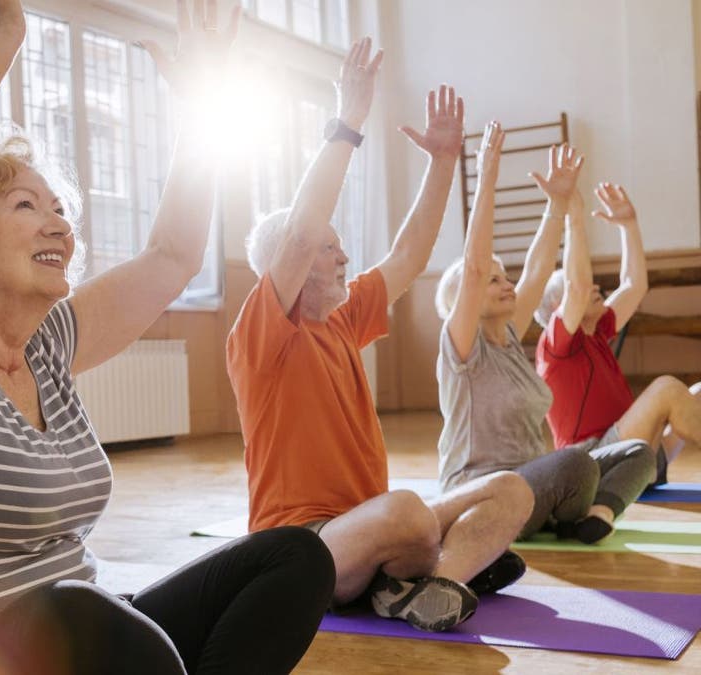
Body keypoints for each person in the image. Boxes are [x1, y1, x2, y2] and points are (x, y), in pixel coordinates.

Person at [0, 1, 335, 673]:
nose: (59, 225)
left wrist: (201, 108)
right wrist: (5, 42)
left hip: (81, 641)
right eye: (27, 206)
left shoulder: (50, 345)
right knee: (79, 611)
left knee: (294, 557)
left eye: (60, 209)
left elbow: (172, 255)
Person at [227, 38, 532, 634]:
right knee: (408, 515)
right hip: (302, 548)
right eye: (328, 249)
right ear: (287, 269)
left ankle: (434, 583)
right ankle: (423, 572)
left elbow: (409, 254)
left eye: (342, 248)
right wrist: (348, 122)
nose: (343, 258)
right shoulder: (260, 334)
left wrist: (445, 161)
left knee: (509, 491)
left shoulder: (343, 317)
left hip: (368, 522)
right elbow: (299, 231)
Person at [435, 131, 658, 546]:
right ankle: (562, 512)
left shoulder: (510, 338)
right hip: (482, 493)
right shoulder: (462, 349)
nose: (505, 284)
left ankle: (591, 515)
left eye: (505, 277)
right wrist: (487, 178)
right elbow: (475, 267)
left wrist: (557, 205)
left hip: (535, 482)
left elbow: (537, 271)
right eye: (493, 280)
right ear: (464, 299)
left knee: (638, 452)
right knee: (574, 463)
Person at [533, 184, 701, 483]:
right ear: (560, 306)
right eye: (587, 286)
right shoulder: (555, 346)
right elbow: (579, 286)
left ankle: (646, 473)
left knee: (698, 393)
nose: (596, 287)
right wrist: (574, 217)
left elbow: (634, 285)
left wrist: (628, 225)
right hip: (591, 464)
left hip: (630, 455)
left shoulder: (596, 332)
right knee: (666, 389)